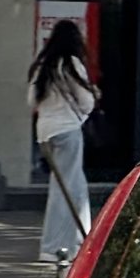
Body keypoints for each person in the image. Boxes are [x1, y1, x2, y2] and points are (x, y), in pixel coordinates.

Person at [28, 19, 97, 264]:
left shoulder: (42, 66)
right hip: (68, 129)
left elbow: (32, 102)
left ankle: (80, 240)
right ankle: (55, 246)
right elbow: (87, 101)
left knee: (73, 185)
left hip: (45, 131)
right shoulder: (71, 64)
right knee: (68, 188)